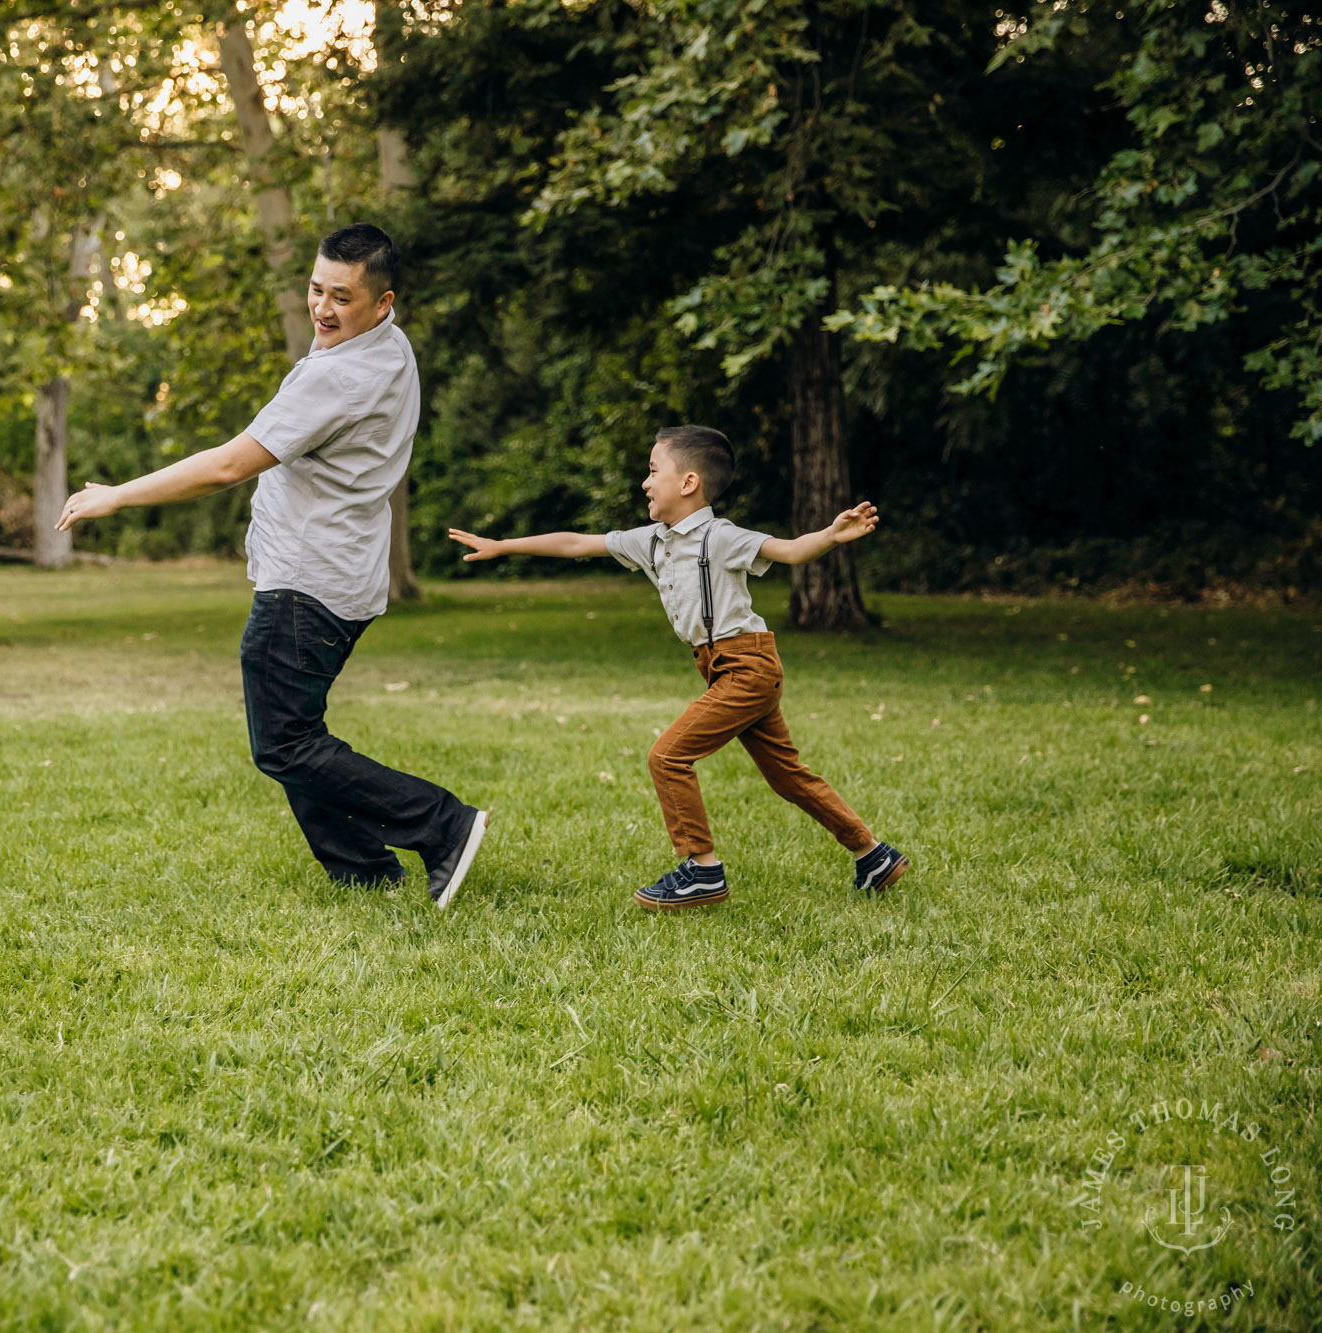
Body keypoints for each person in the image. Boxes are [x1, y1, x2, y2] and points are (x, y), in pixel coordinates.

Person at [58, 223, 489, 907]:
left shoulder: (344, 375)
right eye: (316, 289)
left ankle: (443, 824)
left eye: (342, 297)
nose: (322, 308)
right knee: (292, 733)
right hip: (337, 572)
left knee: (284, 744)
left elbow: (229, 464)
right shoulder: (388, 345)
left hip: (308, 583)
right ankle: (363, 870)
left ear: (383, 302)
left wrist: (119, 494)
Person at [447, 425, 910, 910]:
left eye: (652, 471)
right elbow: (576, 543)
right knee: (787, 775)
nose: (645, 482)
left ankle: (702, 870)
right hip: (724, 668)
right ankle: (872, 854)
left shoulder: (720, 536)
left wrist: (832, 535)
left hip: (746, 666)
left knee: (667, 756)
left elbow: (790, 550)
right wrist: (504, 545)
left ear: (688, 482)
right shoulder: (652, 541)